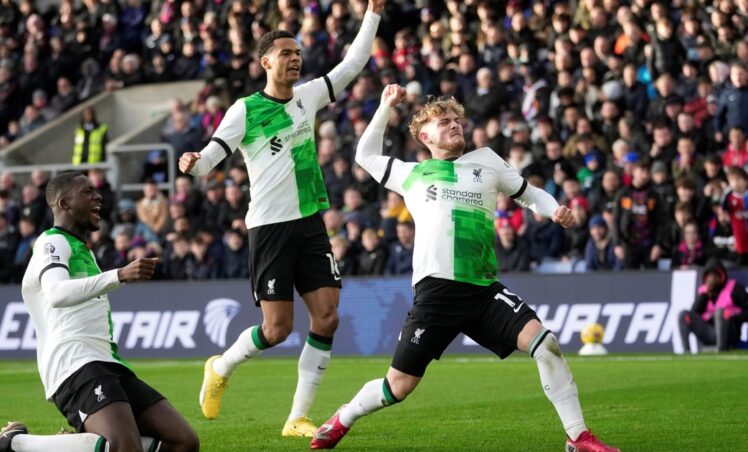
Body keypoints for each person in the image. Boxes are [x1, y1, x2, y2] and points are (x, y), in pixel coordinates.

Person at [311, 85, 619, 452]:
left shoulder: (487, 161)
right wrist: (384, 106)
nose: (455, 125)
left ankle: (577, 436)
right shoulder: (411, 174)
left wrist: (554, 210)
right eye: (445, 122)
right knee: (398, 387)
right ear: (425, 136)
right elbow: (365, 154)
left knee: (545, 343)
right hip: (436, 295)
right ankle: (344, 417)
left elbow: (530, 193)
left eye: (458, 120)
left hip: (483, 289)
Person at [178, 0, 385, 437]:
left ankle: (297, 417)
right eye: (286, 53)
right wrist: (192, 163)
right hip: (269, 229)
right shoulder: (245, 110)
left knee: (327, 317)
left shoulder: (308, 96)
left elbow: (353, 64)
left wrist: (373, 14)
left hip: (310, 221)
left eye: (297, 53)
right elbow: (210, 160)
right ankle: (220, 365)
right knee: (276, 329)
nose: (295, 59)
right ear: (266, 61)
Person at [0, 171, 197, 452]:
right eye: (88, 192)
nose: (98, 196)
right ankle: (17, 444)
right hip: (74, 362)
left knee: (183, 442)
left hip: (107, 361)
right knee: (124, 446)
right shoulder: (51, 242)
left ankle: (75, 444)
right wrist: (119, 275)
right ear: (63, 203)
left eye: (97, 191)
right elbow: (56, 293)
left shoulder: (86, 251)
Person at [678, 259, 748, 353]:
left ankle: (721, 349)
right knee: (683, 315)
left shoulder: (734, 288)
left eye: (715, 275)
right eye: (709, 276)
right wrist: (705, 294)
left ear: (721, 276)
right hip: (709, 332)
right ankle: (686, 352)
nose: (712, 279)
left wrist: (733, 318)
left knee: (720, 312)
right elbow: (694, 312)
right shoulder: (703, 291)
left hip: (729, 332)